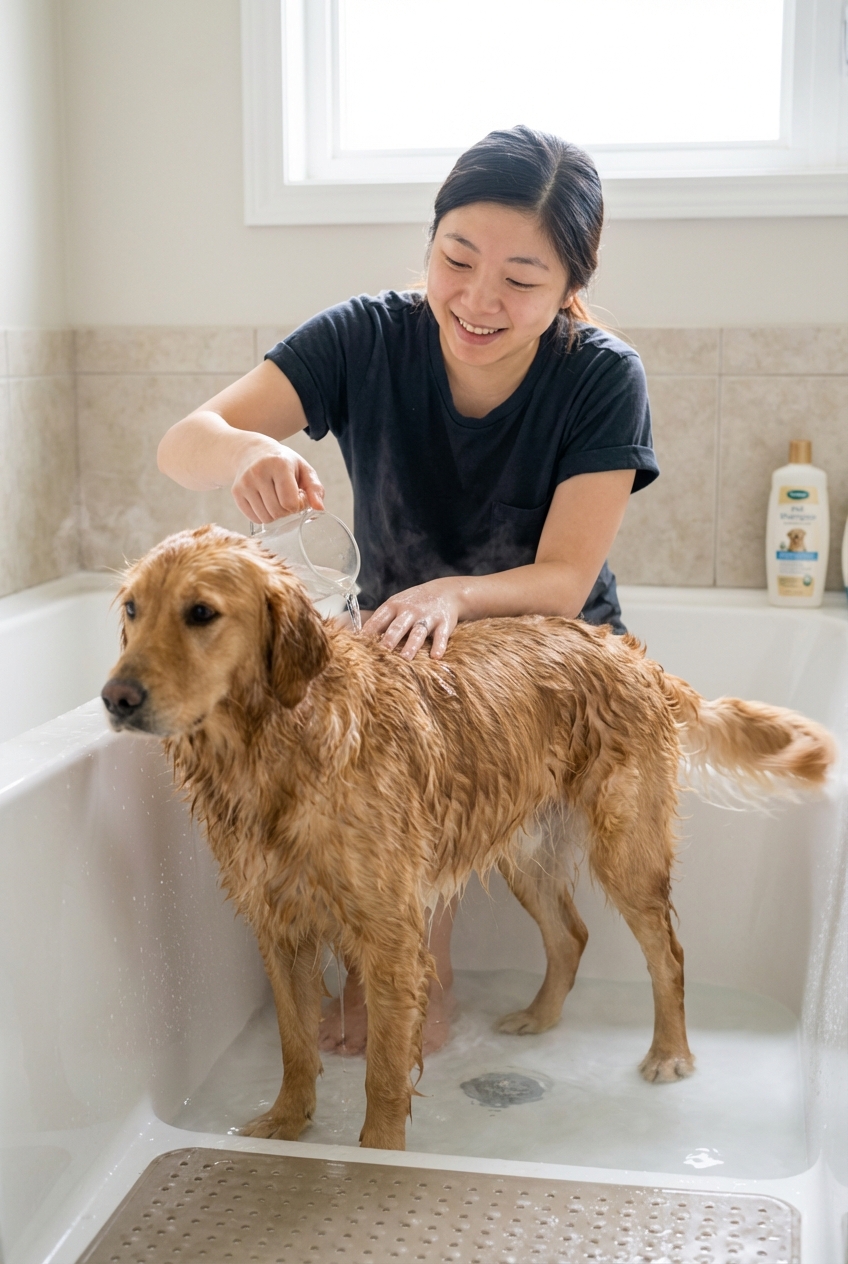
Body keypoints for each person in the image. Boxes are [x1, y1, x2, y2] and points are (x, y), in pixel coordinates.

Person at [157, 125, 658, 1057]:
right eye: (456, 258)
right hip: (401, 644)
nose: (477, 299)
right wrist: (248, 448)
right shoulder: (366, 336)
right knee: (378, 744)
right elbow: (184, 440)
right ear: (428, 244)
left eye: (522, 279)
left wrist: (457, 595)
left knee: (422, 749)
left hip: (547, 660)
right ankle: (400, 976)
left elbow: (563, 581)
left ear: (570, 288)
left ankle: (429, 980)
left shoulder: (600, 377)